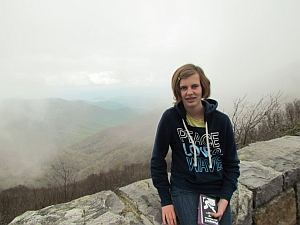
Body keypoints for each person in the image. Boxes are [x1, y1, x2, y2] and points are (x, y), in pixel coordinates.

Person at [150, 64, 240, 225]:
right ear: (178, 92)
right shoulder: (170, 119)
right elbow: (157, 160)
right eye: (183, 88)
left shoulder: (221, 121)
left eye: (194, 86)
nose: (189, 92)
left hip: (216, 188)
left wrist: (225, 197)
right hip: (185, 188)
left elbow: (232, 164)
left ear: (203, 87)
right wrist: (166, 201)